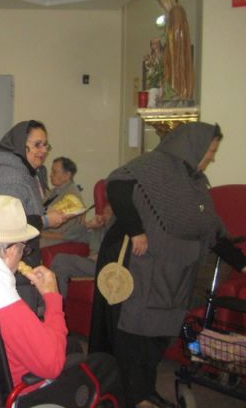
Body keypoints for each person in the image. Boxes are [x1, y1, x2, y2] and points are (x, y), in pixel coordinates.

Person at [89, 122, 246, 408]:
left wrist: (242, 265)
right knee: (133, 335)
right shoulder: (154, 165)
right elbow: (118, 185)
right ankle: (134, 397)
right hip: (139, 268)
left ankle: (145, 391)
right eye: (211, 151)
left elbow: (211, 234)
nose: (212, 158)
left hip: (172, 275)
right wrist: (137, 230)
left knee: (158, 335)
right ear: (193, 147)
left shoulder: (195, 185)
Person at [0, 195, 122, 400]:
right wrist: (52, 297)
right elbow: (52, 365)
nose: (23, 255)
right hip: (11, 391)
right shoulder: (0, 298)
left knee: (71, 345)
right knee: (106, 365)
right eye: (23, 249)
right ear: (11, 251)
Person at [0, 120, 66, 311]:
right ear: (20, 143)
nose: (43, 150)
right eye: (37, 144)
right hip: (4, 270)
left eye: (46, 145)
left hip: (5, 266)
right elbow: (5, 228)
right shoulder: (7, 174)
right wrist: (47, 220)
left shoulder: (17, 169)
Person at [157, 0, 193, 102]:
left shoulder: (176, 10)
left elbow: (176, 31)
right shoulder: (175, 11)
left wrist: (169, 44)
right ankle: (175, 91)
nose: (164, 8)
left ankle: (178, 90)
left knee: (177, 70)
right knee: (171, 70)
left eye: (164, 5)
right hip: (174, 48)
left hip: (177, 50)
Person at [40, 157, 86, 248]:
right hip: (44, 232)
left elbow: (61, 231)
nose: (50, 175)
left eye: (54, 172)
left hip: (55, 238)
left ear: (67, 175)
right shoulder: (56, 191)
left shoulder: (72, 197)